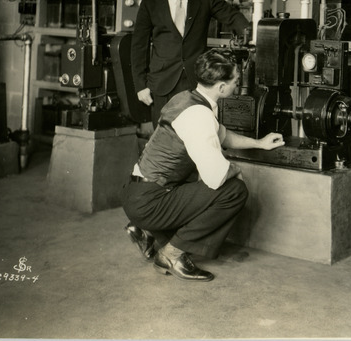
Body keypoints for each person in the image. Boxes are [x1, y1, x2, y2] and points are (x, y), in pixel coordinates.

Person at [122, 48, 285, 282]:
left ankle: (145, 230)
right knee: (234, 192)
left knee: (195, 178)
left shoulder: (186, 98)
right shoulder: (200, 115)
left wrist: (260, 143)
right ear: (221, 87)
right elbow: (214, 176)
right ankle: (172, 254)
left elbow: (222, 135)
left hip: (138, 193)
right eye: (236, 82)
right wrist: (236, 172)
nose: (237, 86)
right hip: (149, 201)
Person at [130, 0, 250, 128]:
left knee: (199, 135)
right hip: (162, 85)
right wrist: (140, 86)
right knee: (165, 140)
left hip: (198, 82)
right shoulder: (150, 5)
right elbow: (138, 47)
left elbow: (231, 16)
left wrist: (251, 33)